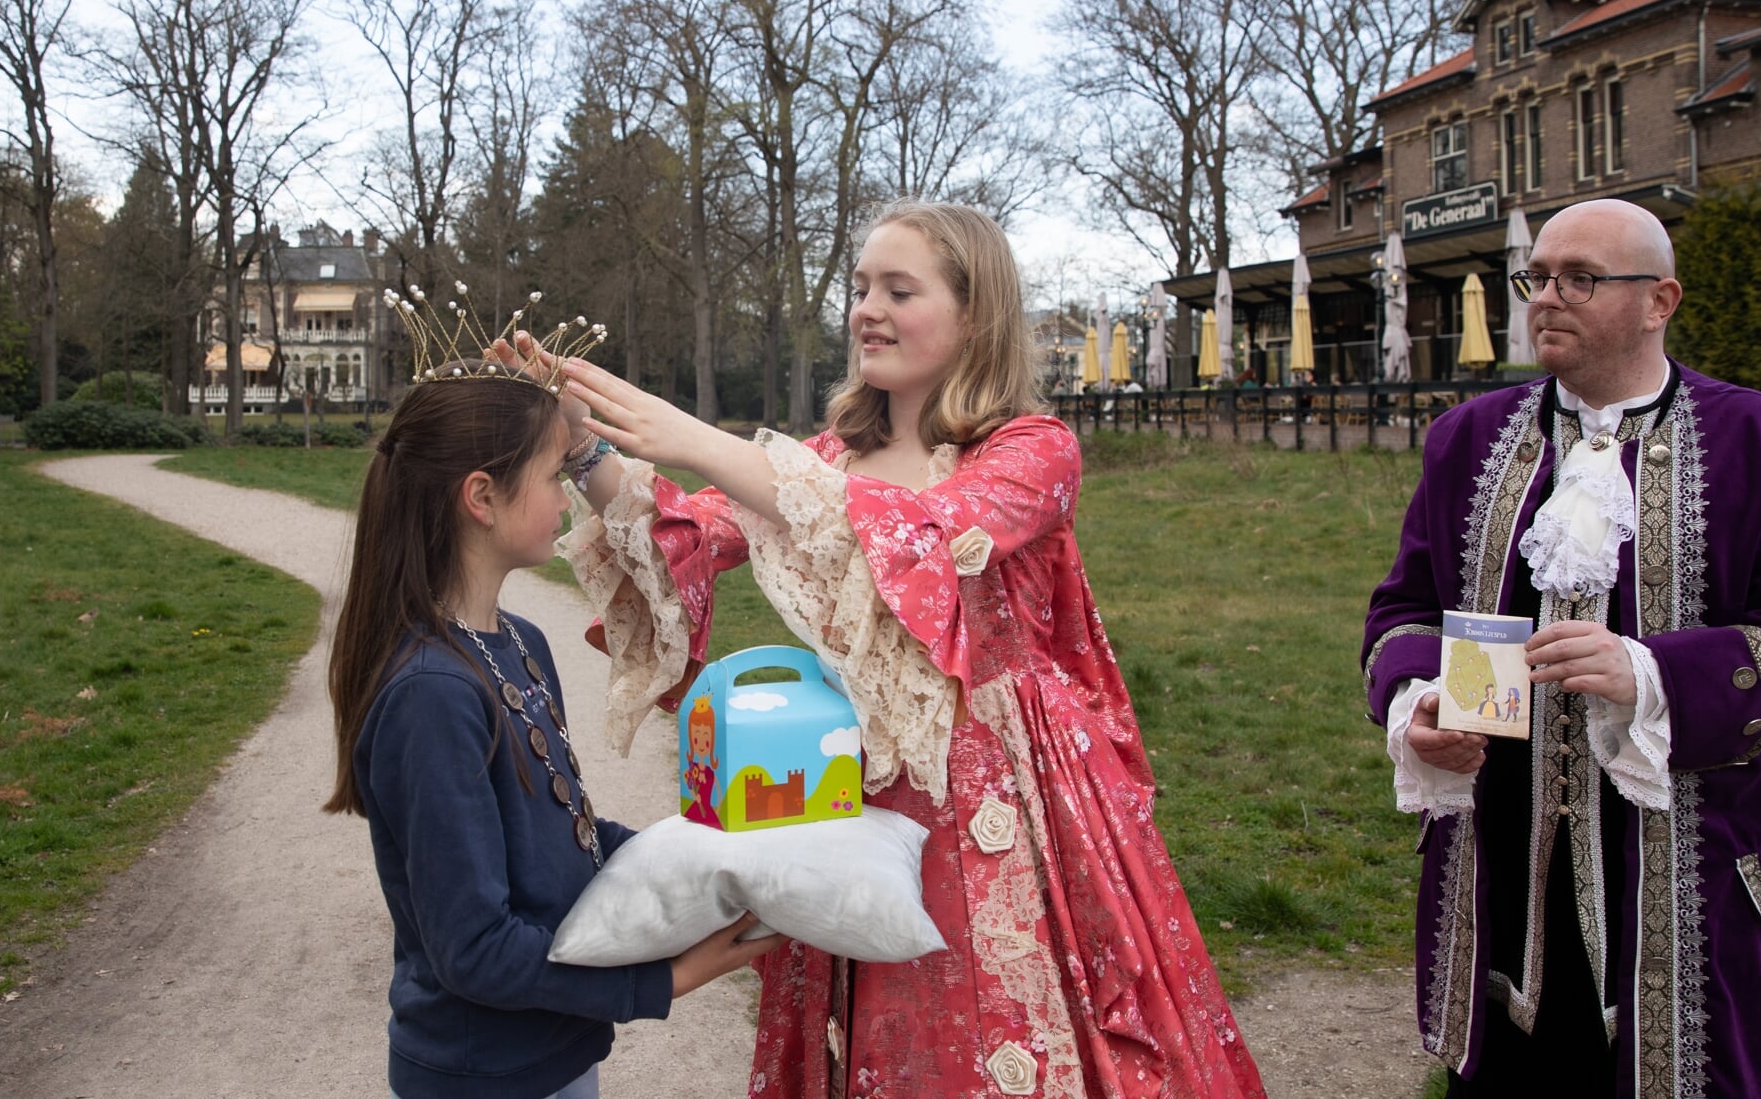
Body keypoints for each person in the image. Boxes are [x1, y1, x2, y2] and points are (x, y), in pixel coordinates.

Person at [539, 200, 1267, 1097]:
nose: (866, 310)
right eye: (859, 288)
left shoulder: (1031, 451)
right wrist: (582, 446)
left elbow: (924, 533)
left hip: (1015, 796)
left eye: (899, 289)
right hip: (859, 793)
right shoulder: (828, 461)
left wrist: (701, 441)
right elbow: (685, 538)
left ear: (975, 315)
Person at [1361, 198, 1761, 1097]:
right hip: (1504, 879)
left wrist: (1654, 674)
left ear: (1659, 300)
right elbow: (1406, 610)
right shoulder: (1467, 441)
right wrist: (1419, 707)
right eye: (1540, 278)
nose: (1548, 297)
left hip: (1692, 880)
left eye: (1581, 278)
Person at [323, 358, 782, 1099]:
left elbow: (562, 836)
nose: (569, 503)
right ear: (482, 496)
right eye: (551, 477)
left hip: (553, 1050)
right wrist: (663, 980)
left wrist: (709, 864)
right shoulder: (432, 695)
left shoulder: (520, 641)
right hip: (481, 1073)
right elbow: (472, 948)